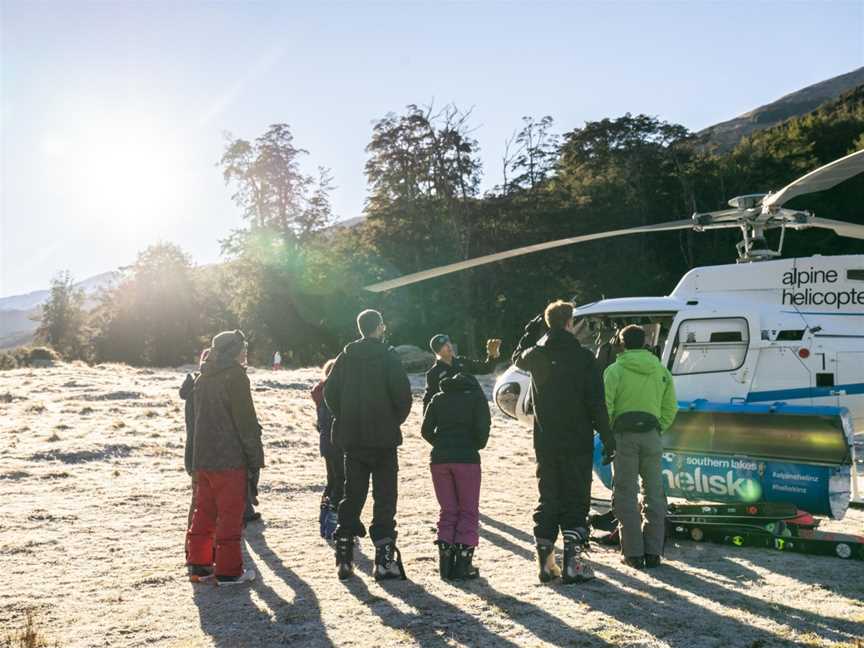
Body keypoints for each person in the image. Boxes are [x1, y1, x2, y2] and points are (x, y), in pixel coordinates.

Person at [515, 300, 614, 584]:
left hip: (546, 441)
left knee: (548, 497)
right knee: (576, 498)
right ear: (571, 323)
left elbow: (516, 356)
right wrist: (607, 437)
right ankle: (574, 564)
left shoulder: (536, 354)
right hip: (577, 439)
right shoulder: (584, 358)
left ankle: (546, 565)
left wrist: (532, 331)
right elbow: (596, 403)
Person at [324, 309, 412, 581]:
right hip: (384, 441)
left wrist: (345, 416)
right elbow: (403, 397)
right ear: (379, 328)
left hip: (353, 440)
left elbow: (329, 393)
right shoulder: (389, 358)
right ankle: (384, 559)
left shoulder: (345, 358)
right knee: (385, 497)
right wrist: (391, 420)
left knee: (353, 493)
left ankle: (344, 554)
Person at [185, 330, 264, 586]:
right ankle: (229, 571)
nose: (245, 352)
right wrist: (254, 457)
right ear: (234, 350)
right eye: (243, 347)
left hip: (203, 457)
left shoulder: (202, 378)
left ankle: (199, 564)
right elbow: (246, 423)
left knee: (203, 511)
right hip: (229, 458)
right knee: (231, 515)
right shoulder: (236, 377)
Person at [604, 324, 678, 569]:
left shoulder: (614, 370)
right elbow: (670, 408)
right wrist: (658, 428)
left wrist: (611, 431)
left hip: (624, 436)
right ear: (646, 342)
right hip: (651, 436)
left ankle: (633, 553)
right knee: (654, 493)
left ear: (621, 343)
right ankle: (654, 552)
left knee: (626, 493)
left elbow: (607, 406)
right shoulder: (661, 371)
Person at [421, 372, 491, 581]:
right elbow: (482, 430)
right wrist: (472, 444)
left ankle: (445, 562)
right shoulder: (475, 399)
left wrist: (441, 444)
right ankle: (463, 564)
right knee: (468, 511)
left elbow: (425, 430)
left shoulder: (438, 398)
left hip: (439, 459)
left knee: (448, 510)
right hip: (467, 459)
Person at [423, 334, 502, 413]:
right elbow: (429, 399)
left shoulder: (462, 362)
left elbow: (486, 369)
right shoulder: (433, 373)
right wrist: (427, 420)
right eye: (444, 345)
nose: (449, 346)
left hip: (470, 409)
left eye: (449, 343)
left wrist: (492, 356)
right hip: (450, 412)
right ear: (438, 351)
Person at [311, 359, 341, 540]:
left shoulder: (321, 392)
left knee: (331, 481)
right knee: (340, 481)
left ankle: (324, 518)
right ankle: (331, 523)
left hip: (325, 443)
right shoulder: (334, 391)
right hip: (337, 442)